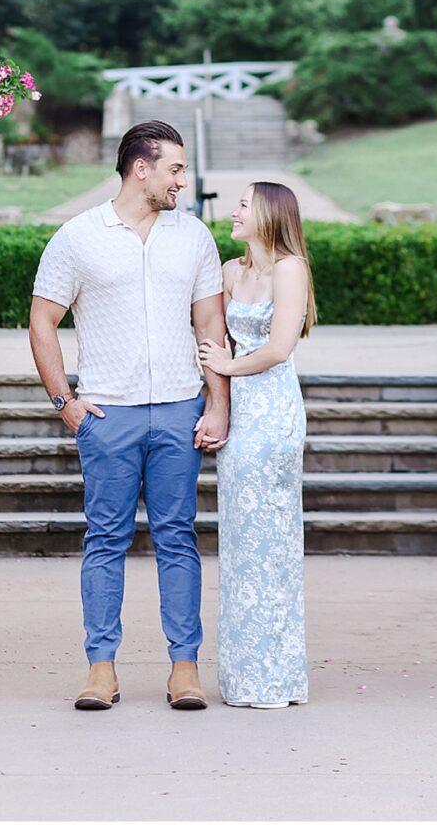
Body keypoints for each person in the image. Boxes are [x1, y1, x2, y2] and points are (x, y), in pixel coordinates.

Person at [29, 120, 229, 713]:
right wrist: (65, 402)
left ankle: (184, 669)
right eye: (173, 168)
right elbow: (43, 321)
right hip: (107, 414)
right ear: (140, 167)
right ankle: (100, 670)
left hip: (177, 411)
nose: (181, 180)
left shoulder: (193, 237)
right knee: (105, 539)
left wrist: (216, 403)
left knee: (178, 538)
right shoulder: (77, 237)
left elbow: (210, 328)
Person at [197, 180, 315, 709]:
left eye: (244, 204)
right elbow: (213, 336)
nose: (234, 211)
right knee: (243, 543)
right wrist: (216, 389)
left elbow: (278, 347)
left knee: (272, 541)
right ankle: (245, 676)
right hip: (240, 410)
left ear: (269, 215)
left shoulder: (290, 269)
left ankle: (276, 676)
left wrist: (226, 365)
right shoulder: (229, 271)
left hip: (274, 413)